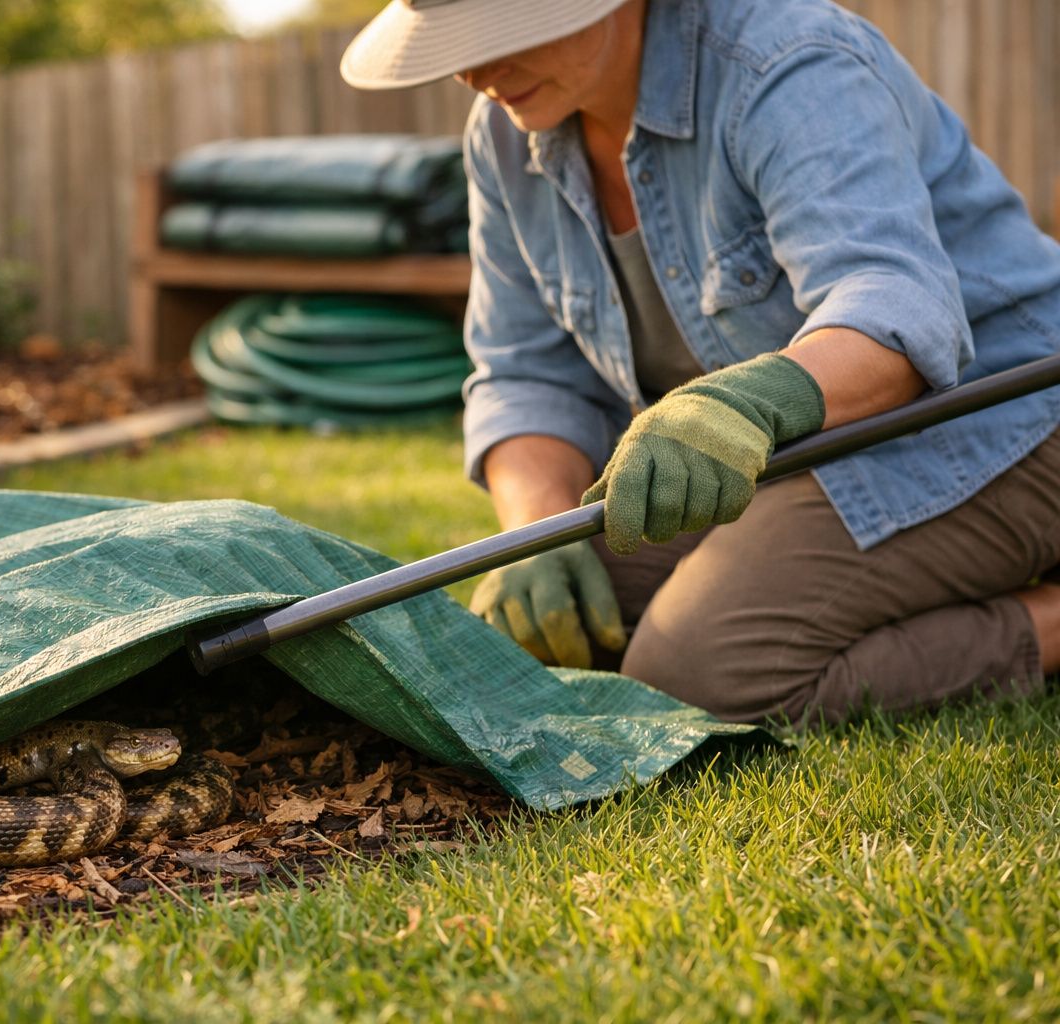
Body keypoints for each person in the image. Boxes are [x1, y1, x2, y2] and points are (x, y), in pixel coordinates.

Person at [339, 0, 1060, 726]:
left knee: (689, 676)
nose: (472, 70)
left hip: (1001, 419)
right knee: (561, 628)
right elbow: (525, 374)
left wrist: (748, 403)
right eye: (454, 42)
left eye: (501, 28)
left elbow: (896, 301)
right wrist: (533, 534)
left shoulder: (786, 61)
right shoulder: (503, 136)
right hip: (796, 456)